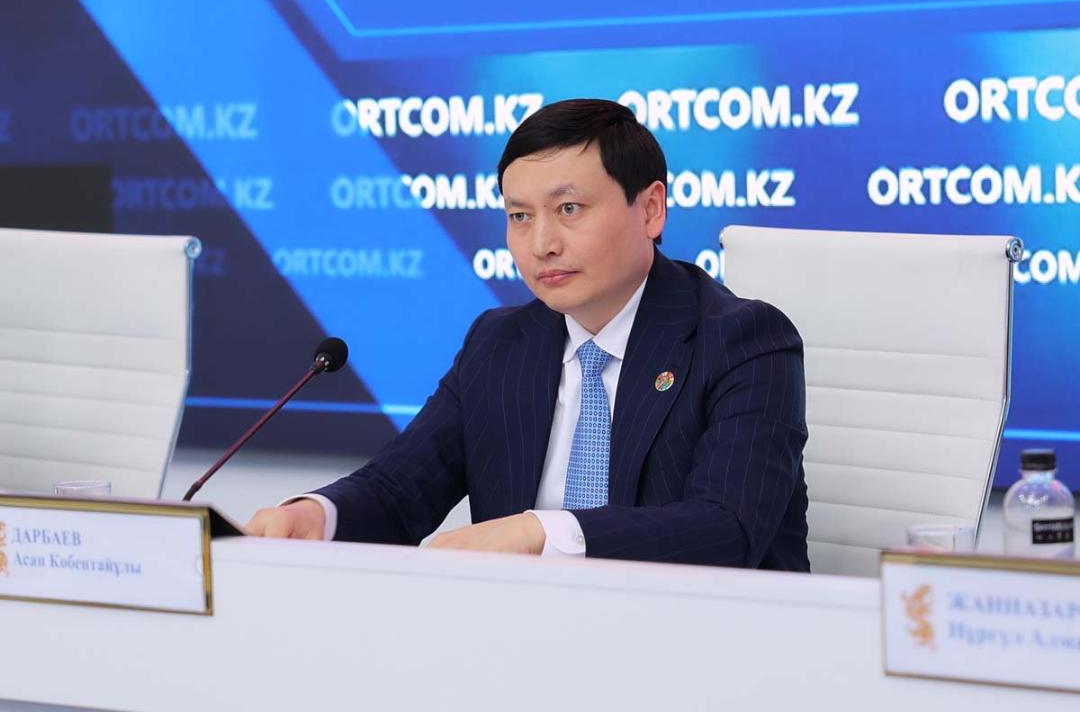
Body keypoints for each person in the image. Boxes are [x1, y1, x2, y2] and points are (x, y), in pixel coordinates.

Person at [247, 99, 810, 570]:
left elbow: (726, 529)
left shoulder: (744, 341)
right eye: (519, 216)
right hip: (518, 641)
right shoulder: (500, 344)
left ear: (651, 210)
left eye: (569, 208)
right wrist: (316, 515)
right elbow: (399, 491)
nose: (542, 244)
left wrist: (539, 533)